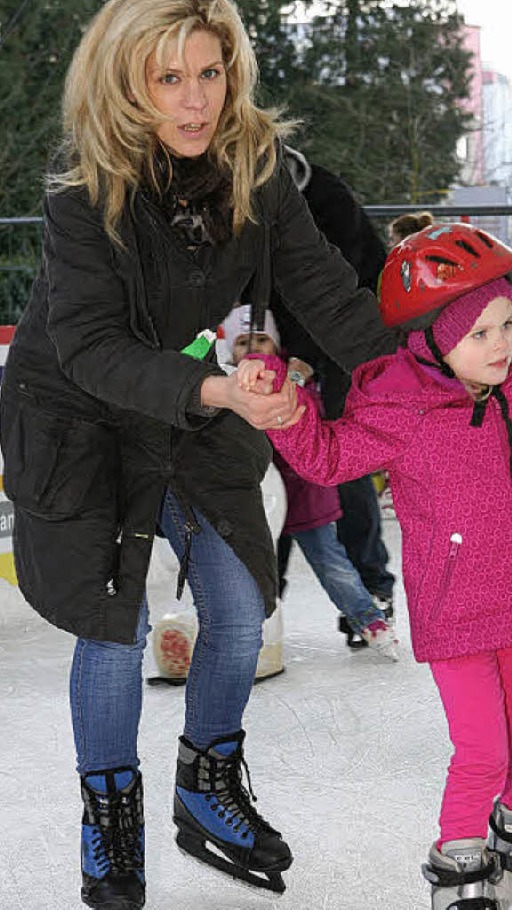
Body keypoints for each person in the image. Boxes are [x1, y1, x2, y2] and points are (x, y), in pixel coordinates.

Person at [0, 1, 400, 906]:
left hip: (194, 397)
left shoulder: (254, 170)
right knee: (115, 627)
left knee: (239, 602)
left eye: (209, 74)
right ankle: (110, 814)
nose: (195, 103)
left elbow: (325, 289)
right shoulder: (82, 189)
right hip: (80, 415)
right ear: (124, 84)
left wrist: (411, 378)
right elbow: (93, 346)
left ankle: (206, 781)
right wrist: (222, 389)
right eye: (168, 79)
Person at [243, 223, 512, 909]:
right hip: (457, 614)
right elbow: (327, 457)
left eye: (507, 324)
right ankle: (458, 867)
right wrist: (284, 410)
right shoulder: (403, 410)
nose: (502, 344)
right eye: (480, 334)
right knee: (483, 755)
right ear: (436, 344)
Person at [222, 304, 399, 660]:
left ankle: (370, 620)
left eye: (261, 340)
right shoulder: (225, 386)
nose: (253, 350)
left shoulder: (293, 378)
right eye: (243, 342)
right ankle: (254, 634)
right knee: (262, 571)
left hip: (305, 496)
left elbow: (310, 424)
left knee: (333, 566)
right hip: (264, 502)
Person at [272, 147, 396, 646]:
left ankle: (372, 589)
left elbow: (332, 292)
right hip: (283, 340)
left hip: (354, 339)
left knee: (348, 468)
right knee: (271, 469)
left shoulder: (326, 199)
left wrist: (304, 360)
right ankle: (263, 600)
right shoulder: (237, 201)